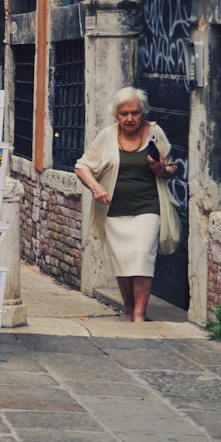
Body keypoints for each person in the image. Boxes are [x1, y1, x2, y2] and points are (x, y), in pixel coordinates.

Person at [74, 87, 179, 322]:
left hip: (148, 206)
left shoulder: (155, 133)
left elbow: (172, 168)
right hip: (114, 209)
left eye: (135, 113)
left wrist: (161, 169)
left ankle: (140, 313)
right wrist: (96, 188)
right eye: (124, 113)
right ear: (116, 114)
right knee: (122, 262)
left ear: (142, 113)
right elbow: (82, 166)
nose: (130, 118)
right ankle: (129, 310)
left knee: (142, 256)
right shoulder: (107, 136)